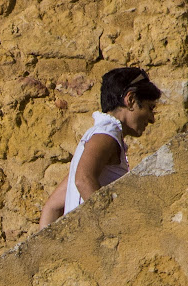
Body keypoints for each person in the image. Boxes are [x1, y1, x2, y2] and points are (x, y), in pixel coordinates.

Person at [39, 67, 161, 228]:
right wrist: (110, 228)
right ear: (130, 100)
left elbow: (52, 207)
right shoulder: (107, 134)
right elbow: (83, 179)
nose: (152, 118)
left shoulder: (100, 133)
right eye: (149, 107)